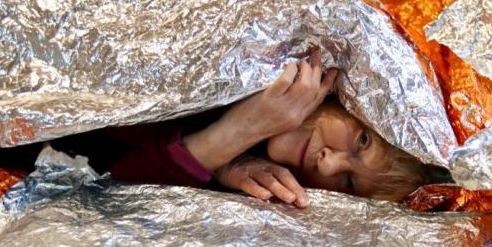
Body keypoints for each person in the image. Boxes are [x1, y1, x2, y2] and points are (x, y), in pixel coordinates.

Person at [109, 47, 431, 208]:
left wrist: (231, 144)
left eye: (349, 184)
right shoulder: (263, 51)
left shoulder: (260, 193)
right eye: (361, 141)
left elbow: (112, 190)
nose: (329, 163)